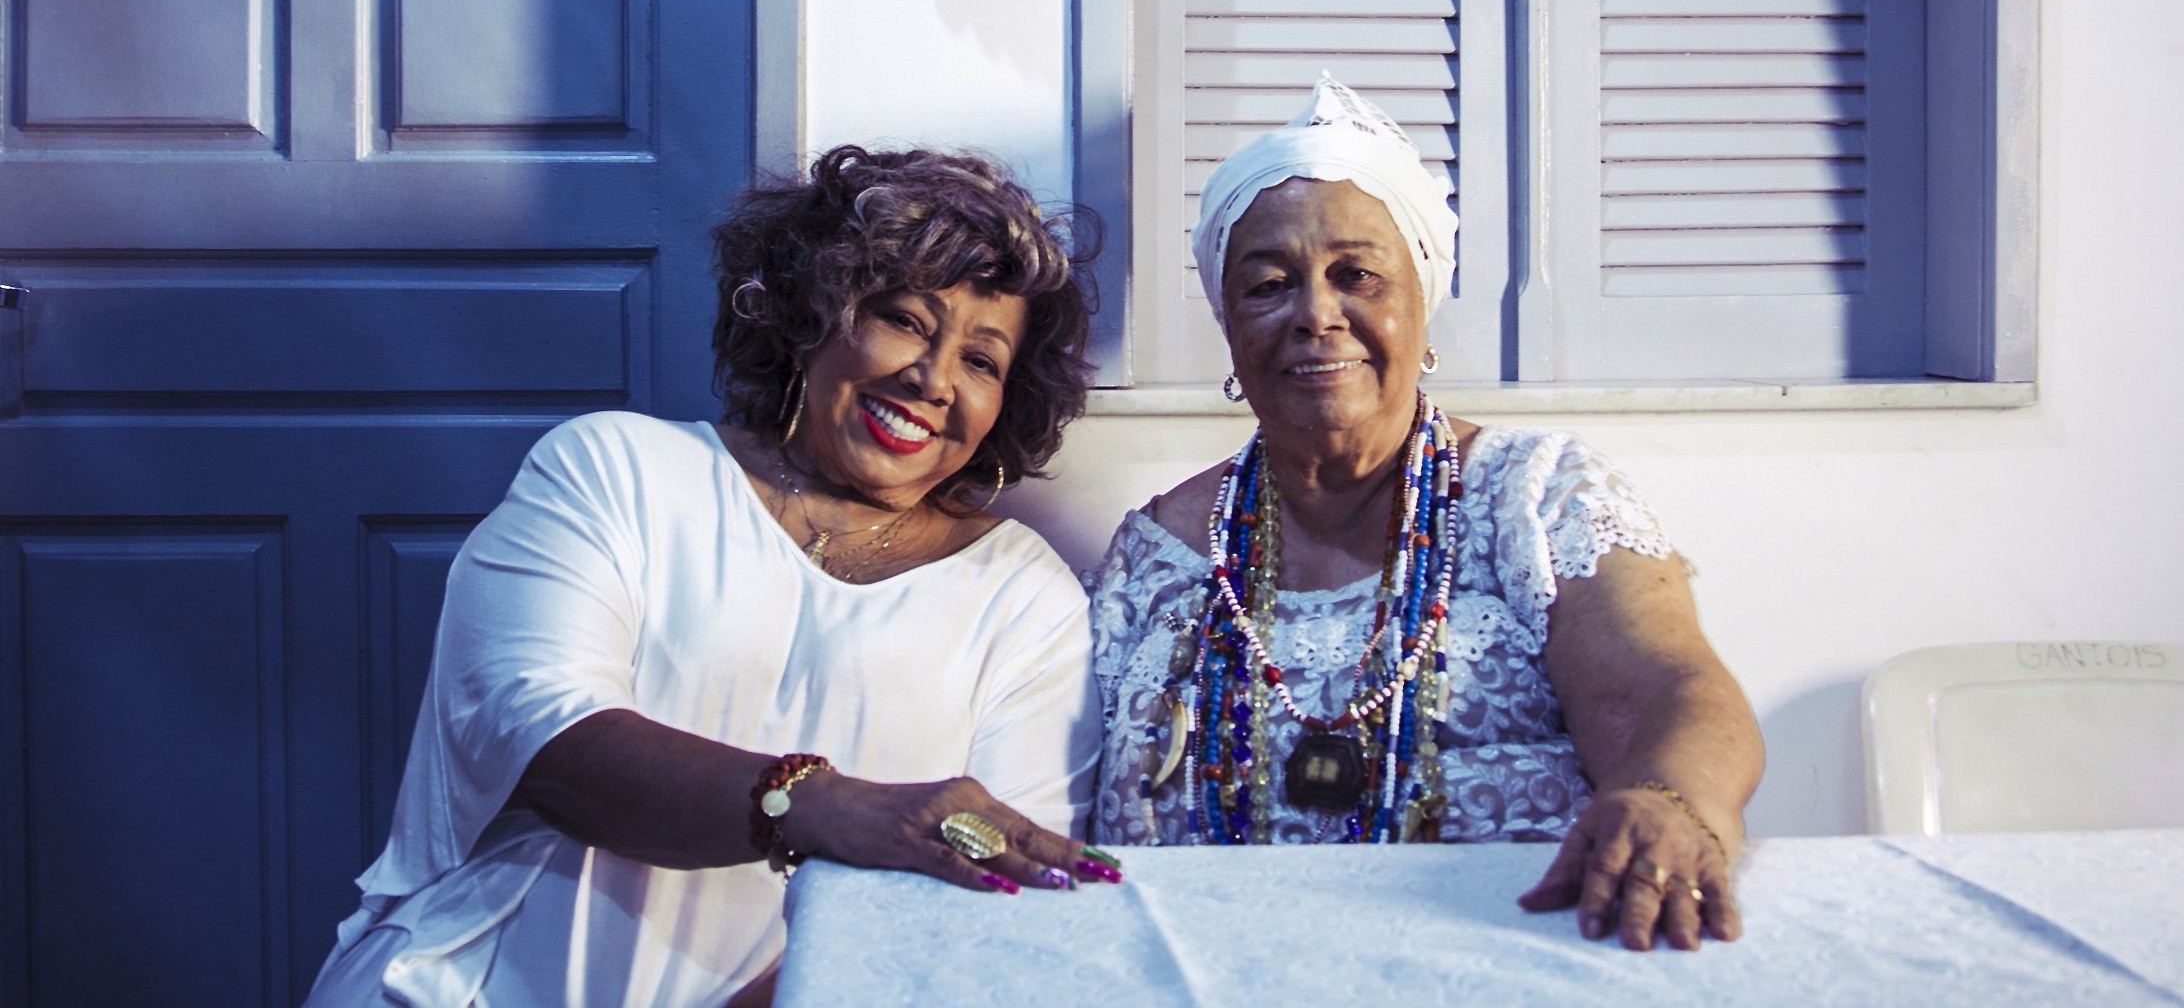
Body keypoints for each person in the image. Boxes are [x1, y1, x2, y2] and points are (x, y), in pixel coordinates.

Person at [307, 145, 1124, 1007]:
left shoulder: (1023, 595)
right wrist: (820, 805)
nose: (933, 378)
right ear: (810, 311)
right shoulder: (615, 470)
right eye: (905, 320)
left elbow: (991, 895)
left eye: (982, 360)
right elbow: (544, 740)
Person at [1085, 77, 1764, 952]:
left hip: (1509, 958)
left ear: (1420, 302)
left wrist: (1670, 803)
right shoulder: (1161, 557)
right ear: (1229, 327)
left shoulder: (1537, 500)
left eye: (1357, 275)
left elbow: (1667, 692)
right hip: (1209, 966)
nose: (1317, 314)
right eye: (1268, 284)